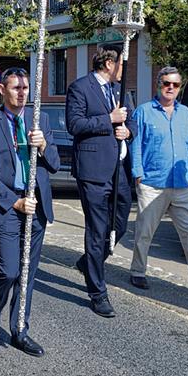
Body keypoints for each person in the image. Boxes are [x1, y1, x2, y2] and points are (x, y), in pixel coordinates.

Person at [0, 67, 59, 358]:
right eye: (15, 88)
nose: (21, 93)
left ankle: (19, 329)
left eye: (25, 88)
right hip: (9, 205)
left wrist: (44, 145)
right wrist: (14, 202)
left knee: (27, 274)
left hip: (37, 206)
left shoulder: (41, 120)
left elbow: (56, 164)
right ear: (2, 90)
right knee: (9, 270)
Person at [129, 67, 188, 299]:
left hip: (183, 184)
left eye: (175, 84)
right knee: (144, 231)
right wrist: (138, 174)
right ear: (158, 84)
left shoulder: (186, 113)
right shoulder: (143, 112)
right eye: (166, 83)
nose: (170, 88)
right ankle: (138, 271)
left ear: (180, 87)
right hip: (153, 182)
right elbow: (136, 145)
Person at [65, 46, 135, 318]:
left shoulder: (119, 89)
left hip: (118, 168)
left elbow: (131, 121)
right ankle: (97, 292)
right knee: (97, 230)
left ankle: (88, 262)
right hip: (93, 170)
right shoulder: (80, 88)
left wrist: (128, 130)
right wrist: (109, 119)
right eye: (120, 66)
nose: (123, 72)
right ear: (109, 63)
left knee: (120, 224)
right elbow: (75, 125)